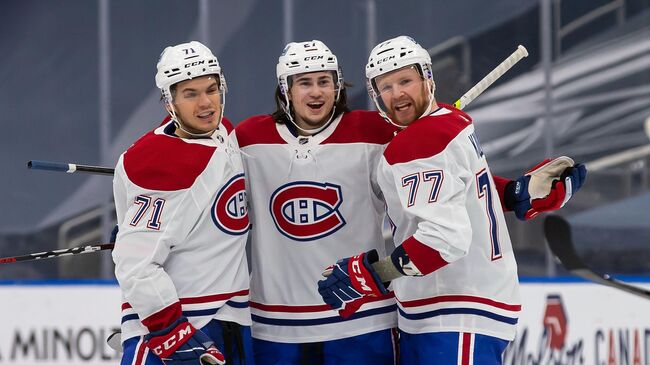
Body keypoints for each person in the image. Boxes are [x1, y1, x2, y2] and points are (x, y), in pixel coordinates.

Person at [317, 35, 587, 365]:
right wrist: (516, 193)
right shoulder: (445, 125)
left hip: (453, 310)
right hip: (463, 308)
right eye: (385, 86)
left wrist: (374, 273)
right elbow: (468, 189)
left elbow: (444, 239)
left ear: (428, 79)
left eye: (406, 80)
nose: (397, 93)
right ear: (375, 96)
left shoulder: (420, 141)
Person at [235, 40, 400, 365]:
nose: (316, 92)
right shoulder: (249, 139)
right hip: (276, 328)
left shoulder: (373, 132)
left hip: (362, 320)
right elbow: (212, 200)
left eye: (324, 81)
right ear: (286, 89)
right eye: (305, 83)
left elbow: (428, 179)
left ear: (338, 86)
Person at [112, 41, 254, 365]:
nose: (206, 103)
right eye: (190, 94)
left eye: (212, 89)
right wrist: (170, 332)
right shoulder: (155, 165)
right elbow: (136, 266)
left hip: (231, 320)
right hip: (184, 329)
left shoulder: (223, 134)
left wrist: (129, 231)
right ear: (169, 102)